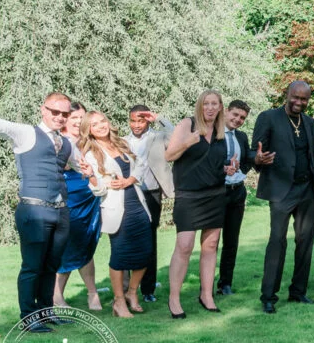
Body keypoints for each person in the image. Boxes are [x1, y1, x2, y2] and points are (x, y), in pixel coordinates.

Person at [0, 87, 80, 331]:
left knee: (51, 266)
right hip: (34, 211)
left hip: (61, 211)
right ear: (43, 110)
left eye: (64, 114)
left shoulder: (66, 143)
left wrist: (87, 169)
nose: (59, 117)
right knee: (32, 266)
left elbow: (79, 163)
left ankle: (46, 312)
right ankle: (29, 317)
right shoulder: (26, 133)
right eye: (54, 112)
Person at [254, 81, 314, 313]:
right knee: (277, 241)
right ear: (287, 95)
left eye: (304, 99)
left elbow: (312, 157)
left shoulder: (309, 122)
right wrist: (257, 159)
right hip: (280, 189)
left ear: (308, 100)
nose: (299, 102)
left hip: (307, 189)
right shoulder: (268, 117)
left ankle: (298, 291)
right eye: (295, 97)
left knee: (305, 241)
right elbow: (254, 150)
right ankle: (268, 296)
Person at [163, 90, 231, 318]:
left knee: (211, 246)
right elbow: (169, 156)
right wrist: (187, 142)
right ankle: (174, 299)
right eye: (206, 104)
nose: (210, 108)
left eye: (214, 104)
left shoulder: (222, 132)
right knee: (184, 245)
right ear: (200, 106)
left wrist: (227, 169)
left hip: (215, 194)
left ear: (221, 107)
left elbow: (211, 163)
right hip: (189, 195)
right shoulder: (187, 124)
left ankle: (207, 295)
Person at [81, 112, 154, 319]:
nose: (101, 126)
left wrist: (129, 180)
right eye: (95, 124)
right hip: (116, 209)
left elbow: (141, 165)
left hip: (137, 204)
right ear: (89, 130)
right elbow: (99, 190)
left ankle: (132, 292)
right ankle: (119, 301)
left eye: (102, 121)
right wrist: (94, 179)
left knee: (145, 252)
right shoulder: (90, 154)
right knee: (120, 255)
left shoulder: (121, 143)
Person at [54, 103, 102, 310]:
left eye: (82, 118)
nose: (78, 121)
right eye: (74, 117)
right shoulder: (59, 141)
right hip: (68, 199)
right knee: (68, 246)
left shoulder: (90, 141)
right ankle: (56, 296)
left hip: (90, 199)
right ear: (66, 119)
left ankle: (93, 293)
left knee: (86, 244)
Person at [123, 104, 172, 303]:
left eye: (141, 120)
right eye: (133, 120)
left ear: (147, 121)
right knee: (126, 240)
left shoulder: (158, 137)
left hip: (151, 193)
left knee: (149, 240)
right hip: (129, 194)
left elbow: (176, 135)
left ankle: (148, 288)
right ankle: (125, 288)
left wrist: (158, 118)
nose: (136, 125)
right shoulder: (122, 141)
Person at [216, 100, 253, 296]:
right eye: (235, 115)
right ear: (226, 111)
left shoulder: (242, 136)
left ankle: (225, 283)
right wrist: (224, 170)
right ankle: (206, 284)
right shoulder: (213, 134)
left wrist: (241, 171)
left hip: (237, 192)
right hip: (217, 192)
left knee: (231, 240)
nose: (238, 120)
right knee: (212, 240)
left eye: (242, 118)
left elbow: (246, 159)